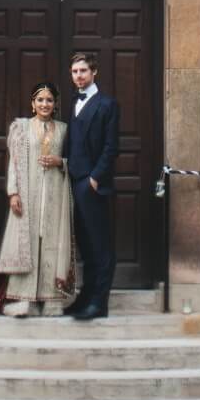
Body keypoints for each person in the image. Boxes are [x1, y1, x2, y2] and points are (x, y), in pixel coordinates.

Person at [0, 81, 74, 318]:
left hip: (55, 193)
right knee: (29, 243)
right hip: (28, 195)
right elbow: (14, 162)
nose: (45, 104)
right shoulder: (21, 128)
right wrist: (13, 192)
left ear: (55, 104)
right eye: (40, 100)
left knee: (52, 242)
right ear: (32, 103)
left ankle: (52, 299)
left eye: (49, 100)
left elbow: (74, 160)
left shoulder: (65, 129)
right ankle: (27, 300)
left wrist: (60, 162)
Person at [62, 50, 120, 320]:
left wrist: (95, 179)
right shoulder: (73, 103)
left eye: (83, 71)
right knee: (84, 245)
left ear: (94, 72)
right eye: (75, 72)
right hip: (72, 183)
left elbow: (111, 147)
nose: (78, 76)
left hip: (92, 184)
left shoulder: (107, 104)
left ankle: (100, 303)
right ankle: (85, 298)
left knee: (100, 246)